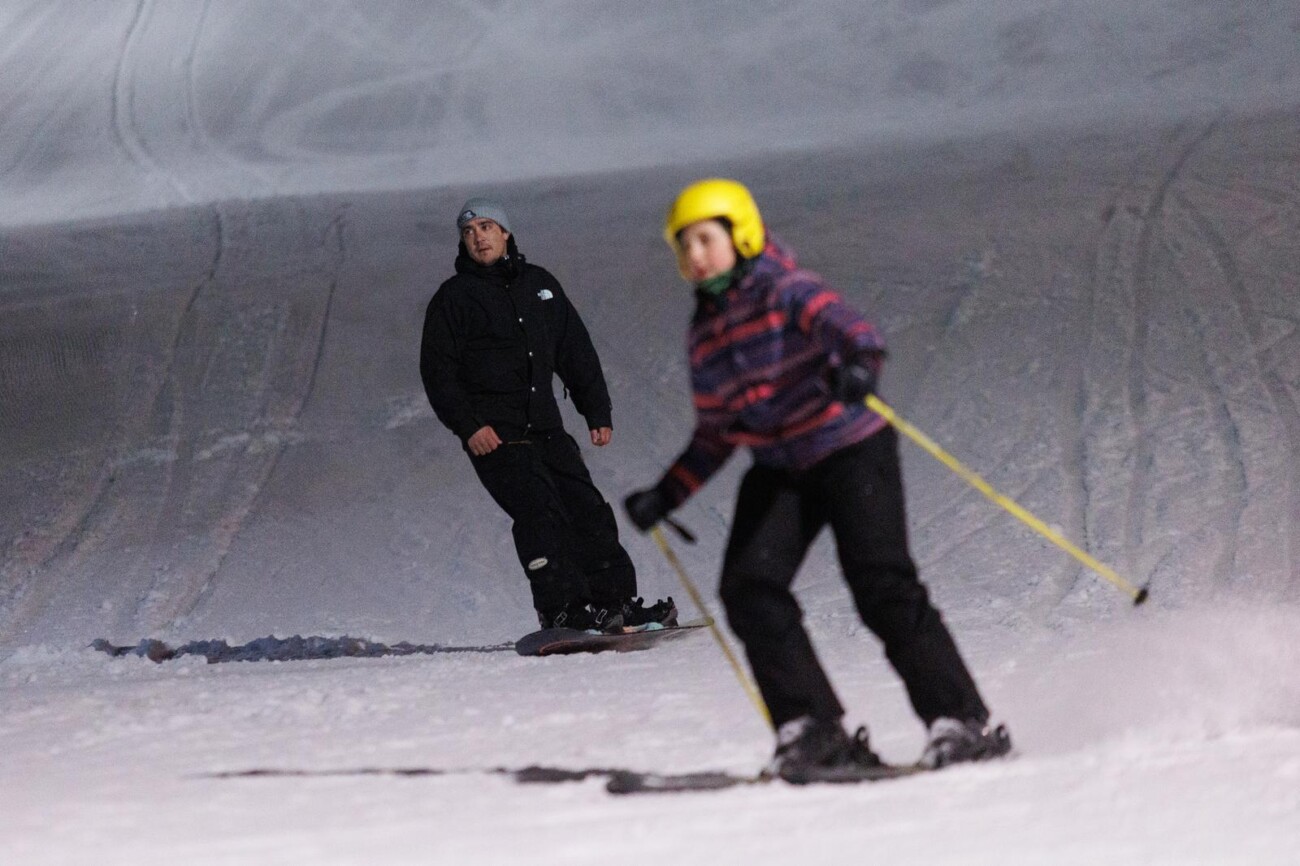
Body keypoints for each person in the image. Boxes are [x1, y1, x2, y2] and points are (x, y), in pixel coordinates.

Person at [623, 179, 1009, 780]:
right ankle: (811, 729)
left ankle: (961, 721)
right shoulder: (705, 336)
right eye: (684, 246)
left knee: (881, 583)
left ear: (741, 233)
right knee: (749, 587)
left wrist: (857, 371)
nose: (695, 255)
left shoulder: (786, 290)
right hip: (782, 468)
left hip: (849, 448)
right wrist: (665, 494)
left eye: (705, 238)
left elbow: (859, 335)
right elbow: (717, 432)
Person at [421, 197, 675, 634]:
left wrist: (596, 409)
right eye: (468, 231)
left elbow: (574, 349)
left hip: (546, 427)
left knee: (588, 509)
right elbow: (437, 372)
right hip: (495, 437)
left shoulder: (540, 285)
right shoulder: (454, 298)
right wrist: (469, 427)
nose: (478, 237)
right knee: (540, 513)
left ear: (505, 233)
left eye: (486, 227)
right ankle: (562, 609)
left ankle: (614, 605)